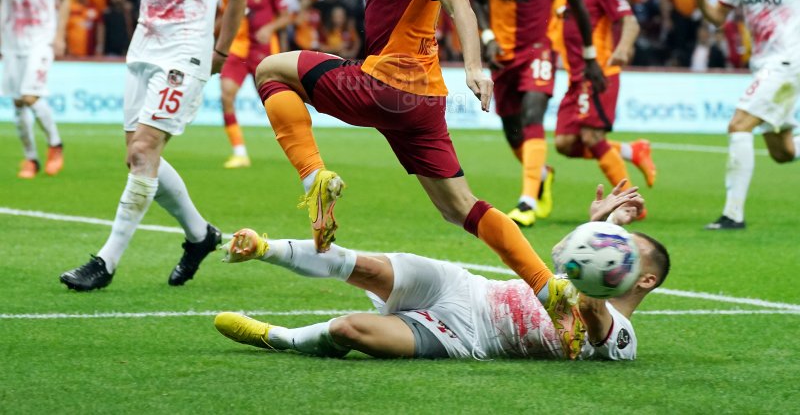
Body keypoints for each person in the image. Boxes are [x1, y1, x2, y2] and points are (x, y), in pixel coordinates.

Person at [257, 0, 584, 357]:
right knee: (460, 207)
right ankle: (551, 291)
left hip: (385, 85)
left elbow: (459, 3)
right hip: (421, 103)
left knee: (271, 70)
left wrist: (475, 67)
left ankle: (315, 177)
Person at [59, 0, 249, 290]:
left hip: (187, 50)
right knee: (138, 157)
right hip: (144, 45)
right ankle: (200, 236)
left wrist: (220, 51)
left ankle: (105, 262)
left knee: (144, 151)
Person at [214, 181, 669, 361]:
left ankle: (276, 337)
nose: (620, 250)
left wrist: (602, 235)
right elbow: (558, 257)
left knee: (349, 330)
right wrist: (596, 230)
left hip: (467, 336)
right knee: (367, 267)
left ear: (645, 279)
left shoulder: (623, 338)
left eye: (630, 253)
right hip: (465, 287)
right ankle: (264, 248)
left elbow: (591, 311)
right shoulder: (582, 274)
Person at [468, 0, 606, 228]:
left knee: (533, 114)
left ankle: (527, 202)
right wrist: (487, 36)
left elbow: (578, 6)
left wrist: (590, 55)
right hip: (502, 57)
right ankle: (542, 174)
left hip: (538, 50)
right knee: (512, 129)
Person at [688, 0, 800, 230]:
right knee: (782, 152)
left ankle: (732, 214)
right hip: (762, 64)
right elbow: (717, 18)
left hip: (789, 60)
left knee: (739, 125)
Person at [552, 0, 656, 197]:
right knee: (564, 143)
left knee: (591, 137)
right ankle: (632, 150)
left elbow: (630, 21)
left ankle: (630, 202)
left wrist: (623, 48)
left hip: (599, 74)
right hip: (575, 77)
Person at [0, 0, 69, 179]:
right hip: (11, 41)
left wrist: (60, 35)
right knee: (18, 102)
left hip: (41, 38)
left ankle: (55, 144)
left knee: (30, 96)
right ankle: (31, 158)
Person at [220, 0, 289, 169]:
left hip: (264, 51)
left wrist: (269, 28)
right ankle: (240, 153)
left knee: (275, 103)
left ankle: (295, 147)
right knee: (226, 95)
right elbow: (224, 17)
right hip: (238, 49)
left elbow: (286, 16)